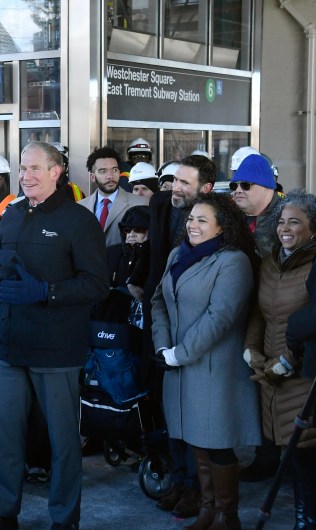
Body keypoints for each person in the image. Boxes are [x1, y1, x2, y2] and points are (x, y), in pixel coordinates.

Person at [0, 142, 109, 530]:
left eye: (35, 168)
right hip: (10, 345)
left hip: (56, 349)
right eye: (22, 169)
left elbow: (97, 284)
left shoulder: (78, 220)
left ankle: (64, 519)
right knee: (5, 436)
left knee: (63, 442)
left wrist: (46, 293)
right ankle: (3, 512)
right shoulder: (13, 215)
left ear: (56, 172)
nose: (25, 176)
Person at [151, 192, 262, 530]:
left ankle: (228, 517)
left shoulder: (233, 261)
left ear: (221, 227)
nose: (192, 225)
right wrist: (162, 346)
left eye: (202, 220)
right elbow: (158, 301)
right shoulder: (177, 254)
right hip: (180, 366)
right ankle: (208, 510)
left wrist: (179, 353)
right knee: (196, 441)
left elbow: (220, 318)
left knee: (217, 444)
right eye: (190, 218)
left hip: (214, 370)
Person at [143, 154, 216, 519]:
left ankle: (198, 489)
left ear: (204, 188)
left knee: (196, 415)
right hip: (159, 317)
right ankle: (178, 477)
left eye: (185, 183)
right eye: (174, 179)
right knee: (167, 406)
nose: (175, 187)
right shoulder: (158, 202)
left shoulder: (212, 217)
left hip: (195, 328)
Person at [243, 189, 316, 529]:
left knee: (304, 452)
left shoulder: (314, 265)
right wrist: (252, 350)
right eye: (282, 221)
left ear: (312, 229)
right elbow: (260, 313)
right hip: (270, 369)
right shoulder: (271, 261)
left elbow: (310, 323)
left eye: (296, 222)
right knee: (288, 448)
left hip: (302, 374)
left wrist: (287, 361)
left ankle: (307, 518)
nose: (286, 228)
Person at [229, 153, 283, 482]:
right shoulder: (240, 220)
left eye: (245, 185)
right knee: (262, 389)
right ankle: (269, 455)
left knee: (279, 389)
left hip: (280, 318)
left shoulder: (285, 218)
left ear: (265, 187)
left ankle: (280, 458)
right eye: (234, 184)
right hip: (253, 317)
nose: (237, 190)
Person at [80, 146, 148, 247]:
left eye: (115, 170)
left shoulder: (142, 204)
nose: (110, 176)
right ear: (92, 177)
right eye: (103, 171)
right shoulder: (80, 207)